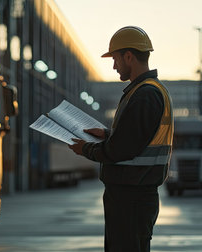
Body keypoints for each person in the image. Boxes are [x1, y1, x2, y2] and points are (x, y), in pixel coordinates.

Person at [68, 26, 174, 252]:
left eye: (115, 59)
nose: (114, 66)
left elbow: (120, 150)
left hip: (131, 196)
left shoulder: (145, 95)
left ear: (129, 56)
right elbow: (137, 139)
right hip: (134, 193)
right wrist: (107, 134)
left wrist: (86, 149)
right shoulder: (145, 92)